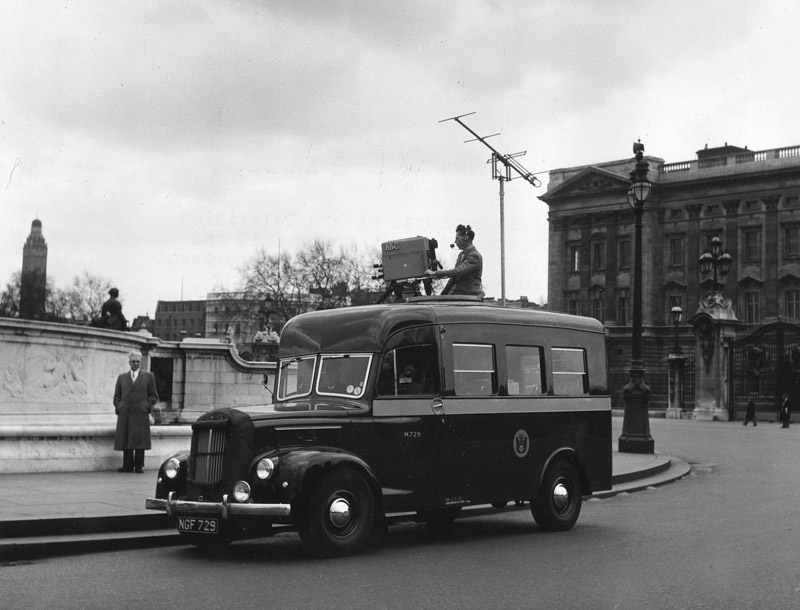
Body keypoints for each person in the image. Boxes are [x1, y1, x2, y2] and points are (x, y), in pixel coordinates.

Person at [113, 351, 159, 473]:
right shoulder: (122, 377)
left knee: (140, 440)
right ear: (129, 362)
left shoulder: (148, 376)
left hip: (140, 413)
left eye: (138, 362)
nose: (136, 364)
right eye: (133, 361)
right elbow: (116, 396)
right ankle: (127, 466)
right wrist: (120, 406)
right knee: (126, 438)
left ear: (140, 362)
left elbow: (154, 396)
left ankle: (138, 466)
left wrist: (145, 406)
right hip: (125, 413)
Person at [425, 224, 484, 298]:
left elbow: (458, 271)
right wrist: (441, 296)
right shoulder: (461, 255)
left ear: (466, 238)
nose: (455, 241)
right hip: (460, 296)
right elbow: (453, 279)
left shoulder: (474, 256)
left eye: (457, 238)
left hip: (470, 296)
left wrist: (435, 273)